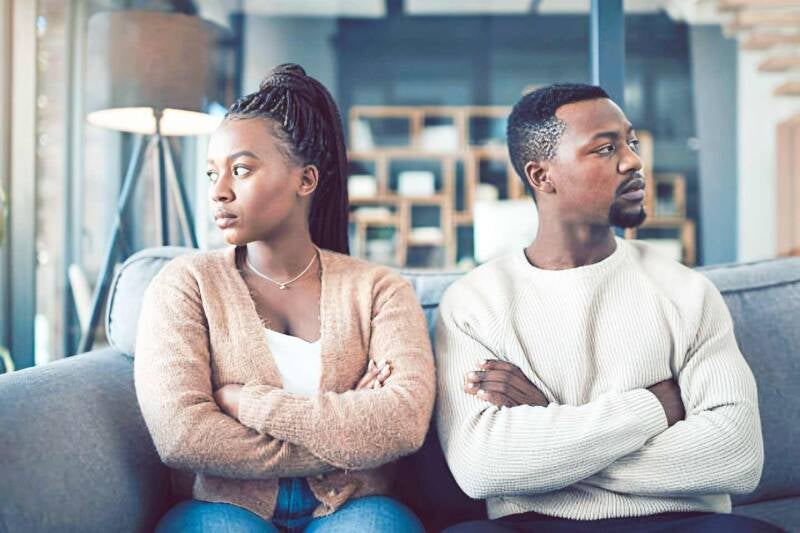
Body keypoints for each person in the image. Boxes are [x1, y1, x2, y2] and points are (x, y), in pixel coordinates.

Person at [435, 83, 781, 532]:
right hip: (536, 524)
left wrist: (548, 426)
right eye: (605, 148)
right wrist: (652, 408)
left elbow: (737, 456)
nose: (633, 161)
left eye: (631, 143)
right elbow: (481, 467)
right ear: (541, 176)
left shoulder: (687, 291)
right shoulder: (474, 303)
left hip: (681, 521)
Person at [134, 63, 434, 532]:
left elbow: (402, 423)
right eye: (212, 173)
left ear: (305, 180)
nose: (219, 192)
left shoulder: (380, 289)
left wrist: (245, 403)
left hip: (354, 508)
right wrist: (347, 437)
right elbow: (182, 436)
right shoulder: (186, 285)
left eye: (241, 170)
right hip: (225, 507)